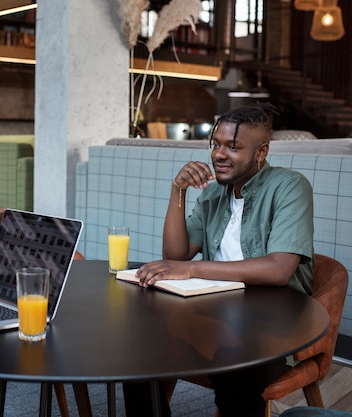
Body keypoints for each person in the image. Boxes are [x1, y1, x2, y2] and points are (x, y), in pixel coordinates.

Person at [123, 103, 314, 417]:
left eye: (234, 147)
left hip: (272, 322)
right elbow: (175, 255)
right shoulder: (213, 194)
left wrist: (191, 268)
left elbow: (280, 269)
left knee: (236, 373)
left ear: (261, 152)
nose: (219, 154)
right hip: (214, 312)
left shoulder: (289, 187)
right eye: (216, 144)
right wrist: (178, 190)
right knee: (140, 354)